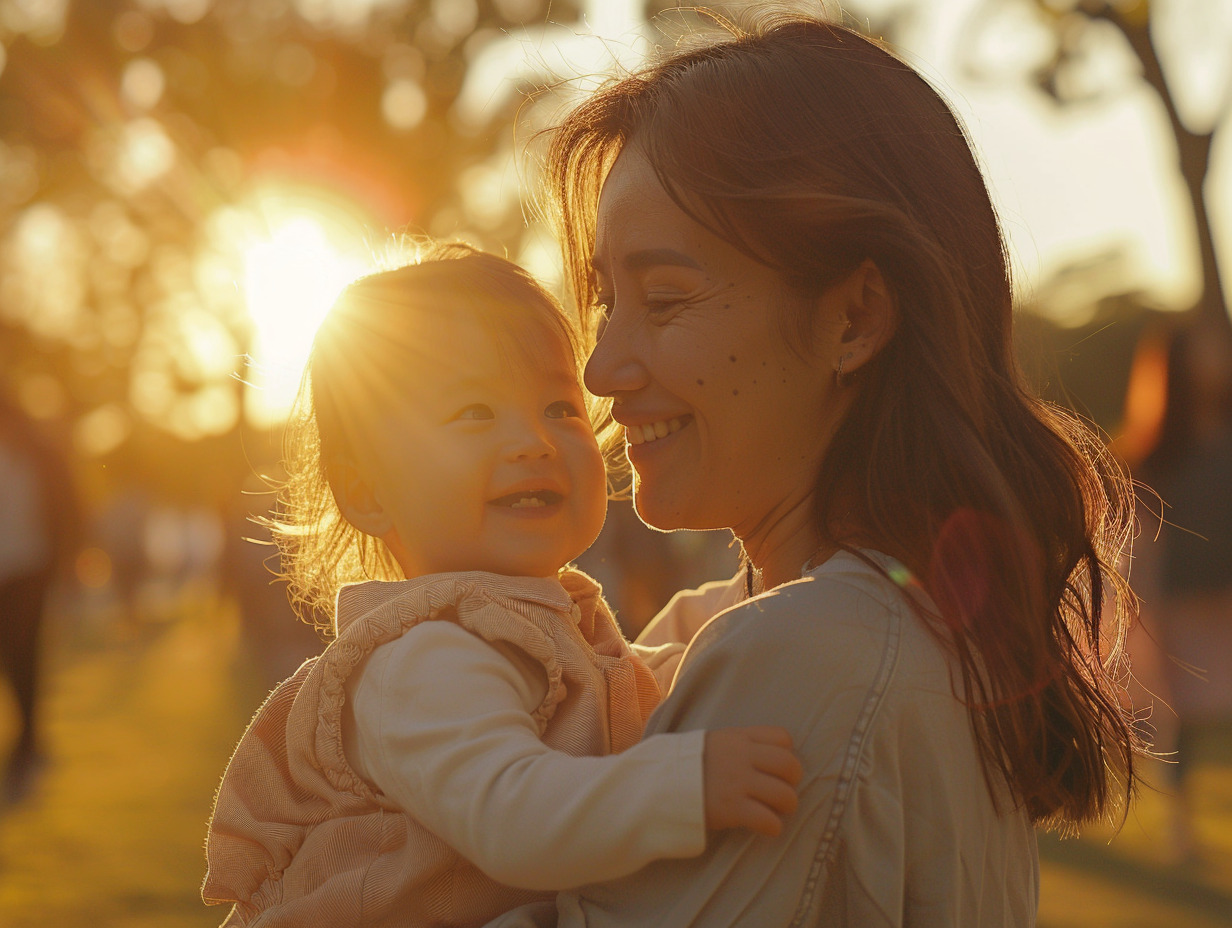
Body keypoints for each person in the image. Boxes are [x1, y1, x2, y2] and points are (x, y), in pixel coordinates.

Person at [486, 12, 1144, 927]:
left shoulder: (805, 653)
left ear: (854, 319)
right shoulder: (868, 625)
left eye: (666, 300)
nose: (601, 371)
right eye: (607, 300)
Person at [202, 244, 802, 928]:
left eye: (558, 408)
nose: (532, 442)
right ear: (367, 489)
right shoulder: (423, 660)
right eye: (476, 414)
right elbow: (515, 816)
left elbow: (630, 690)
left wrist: (742, 605)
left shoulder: (540, 623)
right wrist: (685, 785)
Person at [0, 392, 78, 803]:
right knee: (11, 659)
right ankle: (27, 741)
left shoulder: (43, 458)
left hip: (31, 570)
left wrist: (69, 566)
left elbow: (69, 509)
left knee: (24, 656)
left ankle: (28, 742)